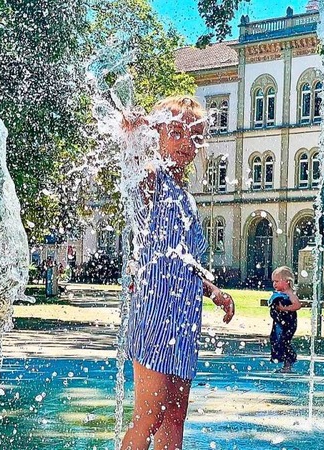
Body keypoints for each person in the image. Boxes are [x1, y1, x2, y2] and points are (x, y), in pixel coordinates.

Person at [121, 95, 235, 450]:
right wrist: (133, 134)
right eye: (176, 134)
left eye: (195, 137)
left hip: (184, 316)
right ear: (157, 136)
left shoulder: (185, 197)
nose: (187, 144)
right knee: (150, 415)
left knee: (174, 417)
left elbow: (182, 262)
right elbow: (134, 160)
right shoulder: (152, 180)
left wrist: (213, 290)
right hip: (155, 311)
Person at [268, 266, 302, 373]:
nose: (274, 284)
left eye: (277, 281)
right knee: (275, 339)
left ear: (287, 282)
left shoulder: (289, 293)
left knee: (283, 341)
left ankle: (289, 362)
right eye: (273, 281)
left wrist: (284, 308)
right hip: (279, 322)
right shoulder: (280, 294)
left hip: (288, 324)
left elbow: (297, 305)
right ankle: (283, 362)